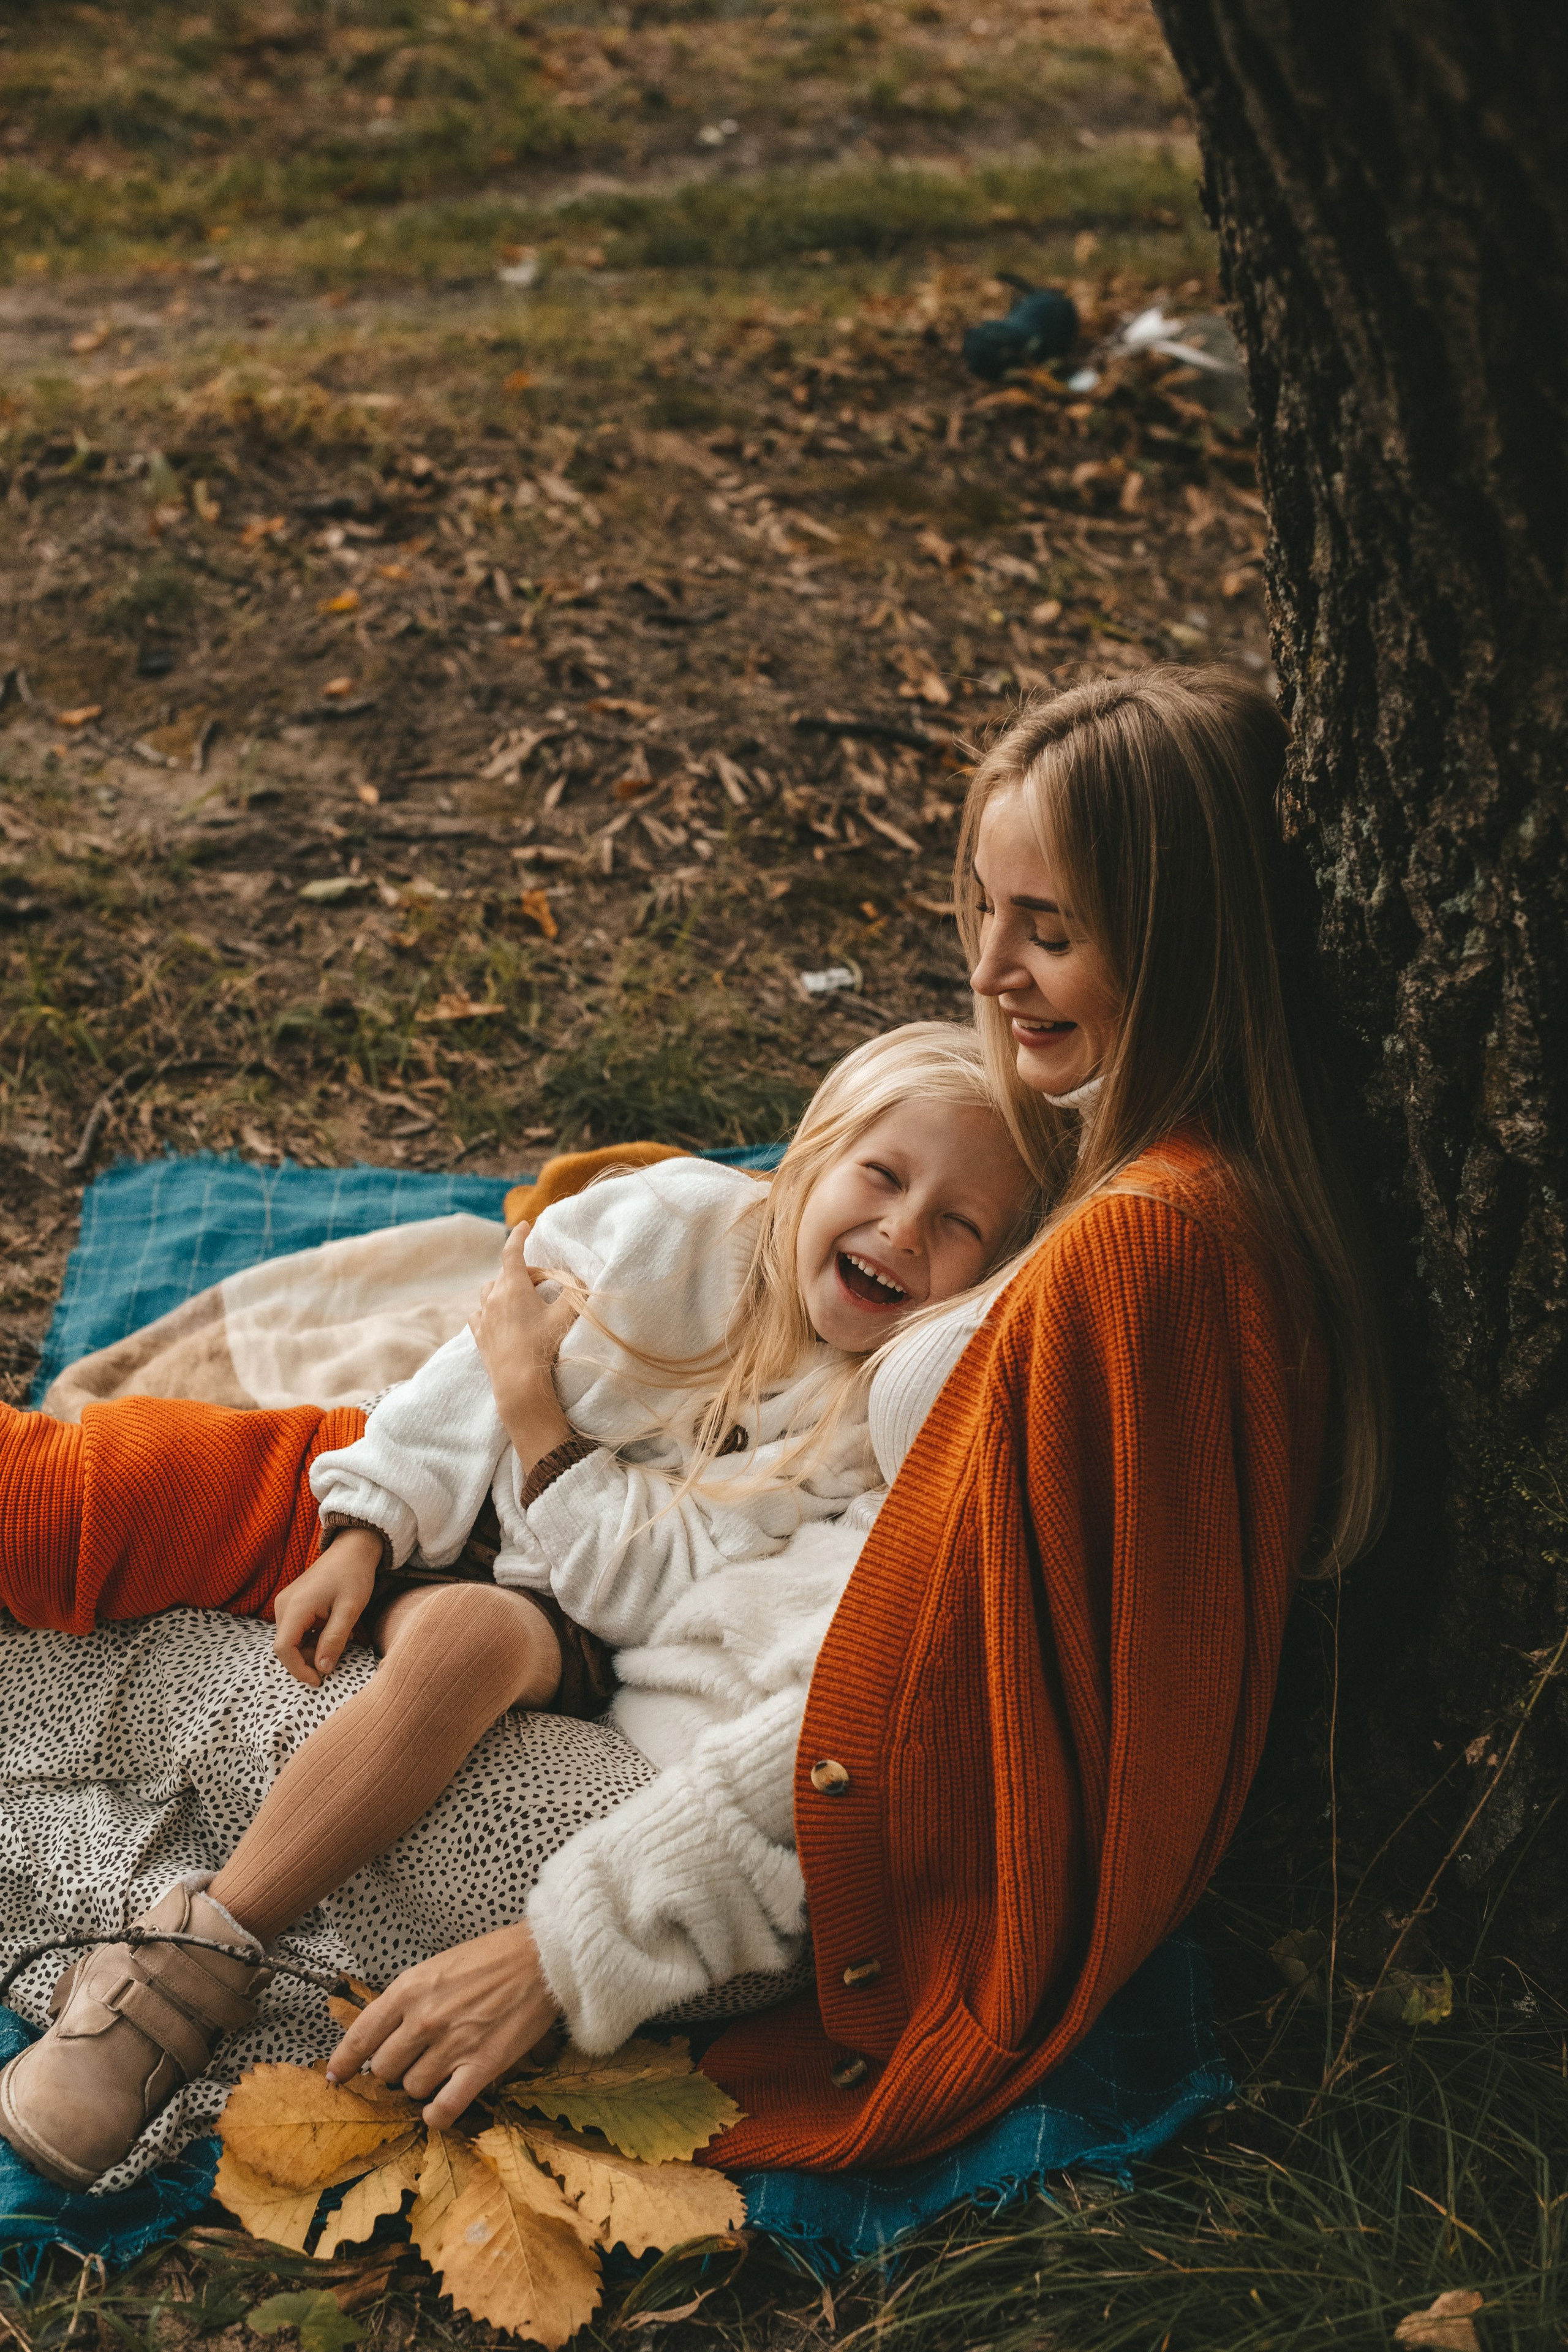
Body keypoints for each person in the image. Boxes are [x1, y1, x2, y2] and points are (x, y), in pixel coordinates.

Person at [0, 660, 1389, 2188]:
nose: (992, 972)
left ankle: (173, 1956)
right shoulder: (1142, 1177)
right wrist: (392, 1496)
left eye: (1049, 933)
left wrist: (565, 1945)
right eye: (985, 911)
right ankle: (154, 1894)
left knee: (123, 1669)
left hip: (676, 1827)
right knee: (173, 1528)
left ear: (1180, 946)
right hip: (636, 1669)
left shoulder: (1115, 1264)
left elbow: (883, 1703)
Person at [0, 1024, 1042, 2190]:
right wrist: (367, 1524)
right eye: (885, 1178)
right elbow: (471, 1362)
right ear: (812, 1160)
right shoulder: (671, 1225)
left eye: (960, 1227)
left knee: (467, 1638)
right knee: (156, 1502)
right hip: (453, 1505)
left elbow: (648, 1585)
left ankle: (192, 1964)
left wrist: (539, 1416)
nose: (904, 1230)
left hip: (586, 1628)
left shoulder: (862, 1436)